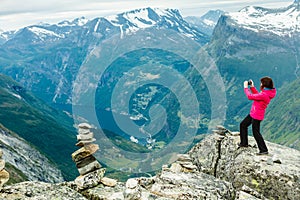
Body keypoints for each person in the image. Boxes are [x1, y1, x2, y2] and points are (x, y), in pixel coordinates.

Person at [239, 76, 276, 155]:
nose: (260, 84)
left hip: (257, 115)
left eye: (261, 83)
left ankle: (263, 150)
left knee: (256, 133)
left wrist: (246, 87)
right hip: (254, 113)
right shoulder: (266, 93)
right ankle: (244, 143)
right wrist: (252, 87)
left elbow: (250, 96)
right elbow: (257, 95)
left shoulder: (265, 95)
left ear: (264, 85)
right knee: (243, 125)